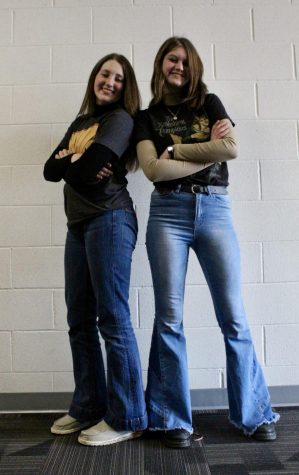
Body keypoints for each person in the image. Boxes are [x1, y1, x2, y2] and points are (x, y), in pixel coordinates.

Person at [134, 37, 279, 449]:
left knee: (233, 316)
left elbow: (230, 148)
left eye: (183, 60)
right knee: (169, 318)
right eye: (170, 59)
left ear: (193, 65)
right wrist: (207, 153)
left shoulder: (210, 103)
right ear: (160, 64)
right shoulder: (145, 118)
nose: (177, 66)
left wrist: (177, 148)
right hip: (168, 215)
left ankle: (254, 413)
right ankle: (171, 419)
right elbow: (152, 170)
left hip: (215, 210)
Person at [44, 53, 147, 446]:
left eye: (119, 78)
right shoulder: (81, 123)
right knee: (79, 319)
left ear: (126, 87)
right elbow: (49, 171)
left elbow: (83, 173)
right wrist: (80, 158)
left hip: (110, 219)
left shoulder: (120, 120)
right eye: (105, 74)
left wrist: (77, 160)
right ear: (94, 77)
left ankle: (126, 416)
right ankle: (88, 405)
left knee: (113, 318)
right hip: (79, 225)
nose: (110, 82)